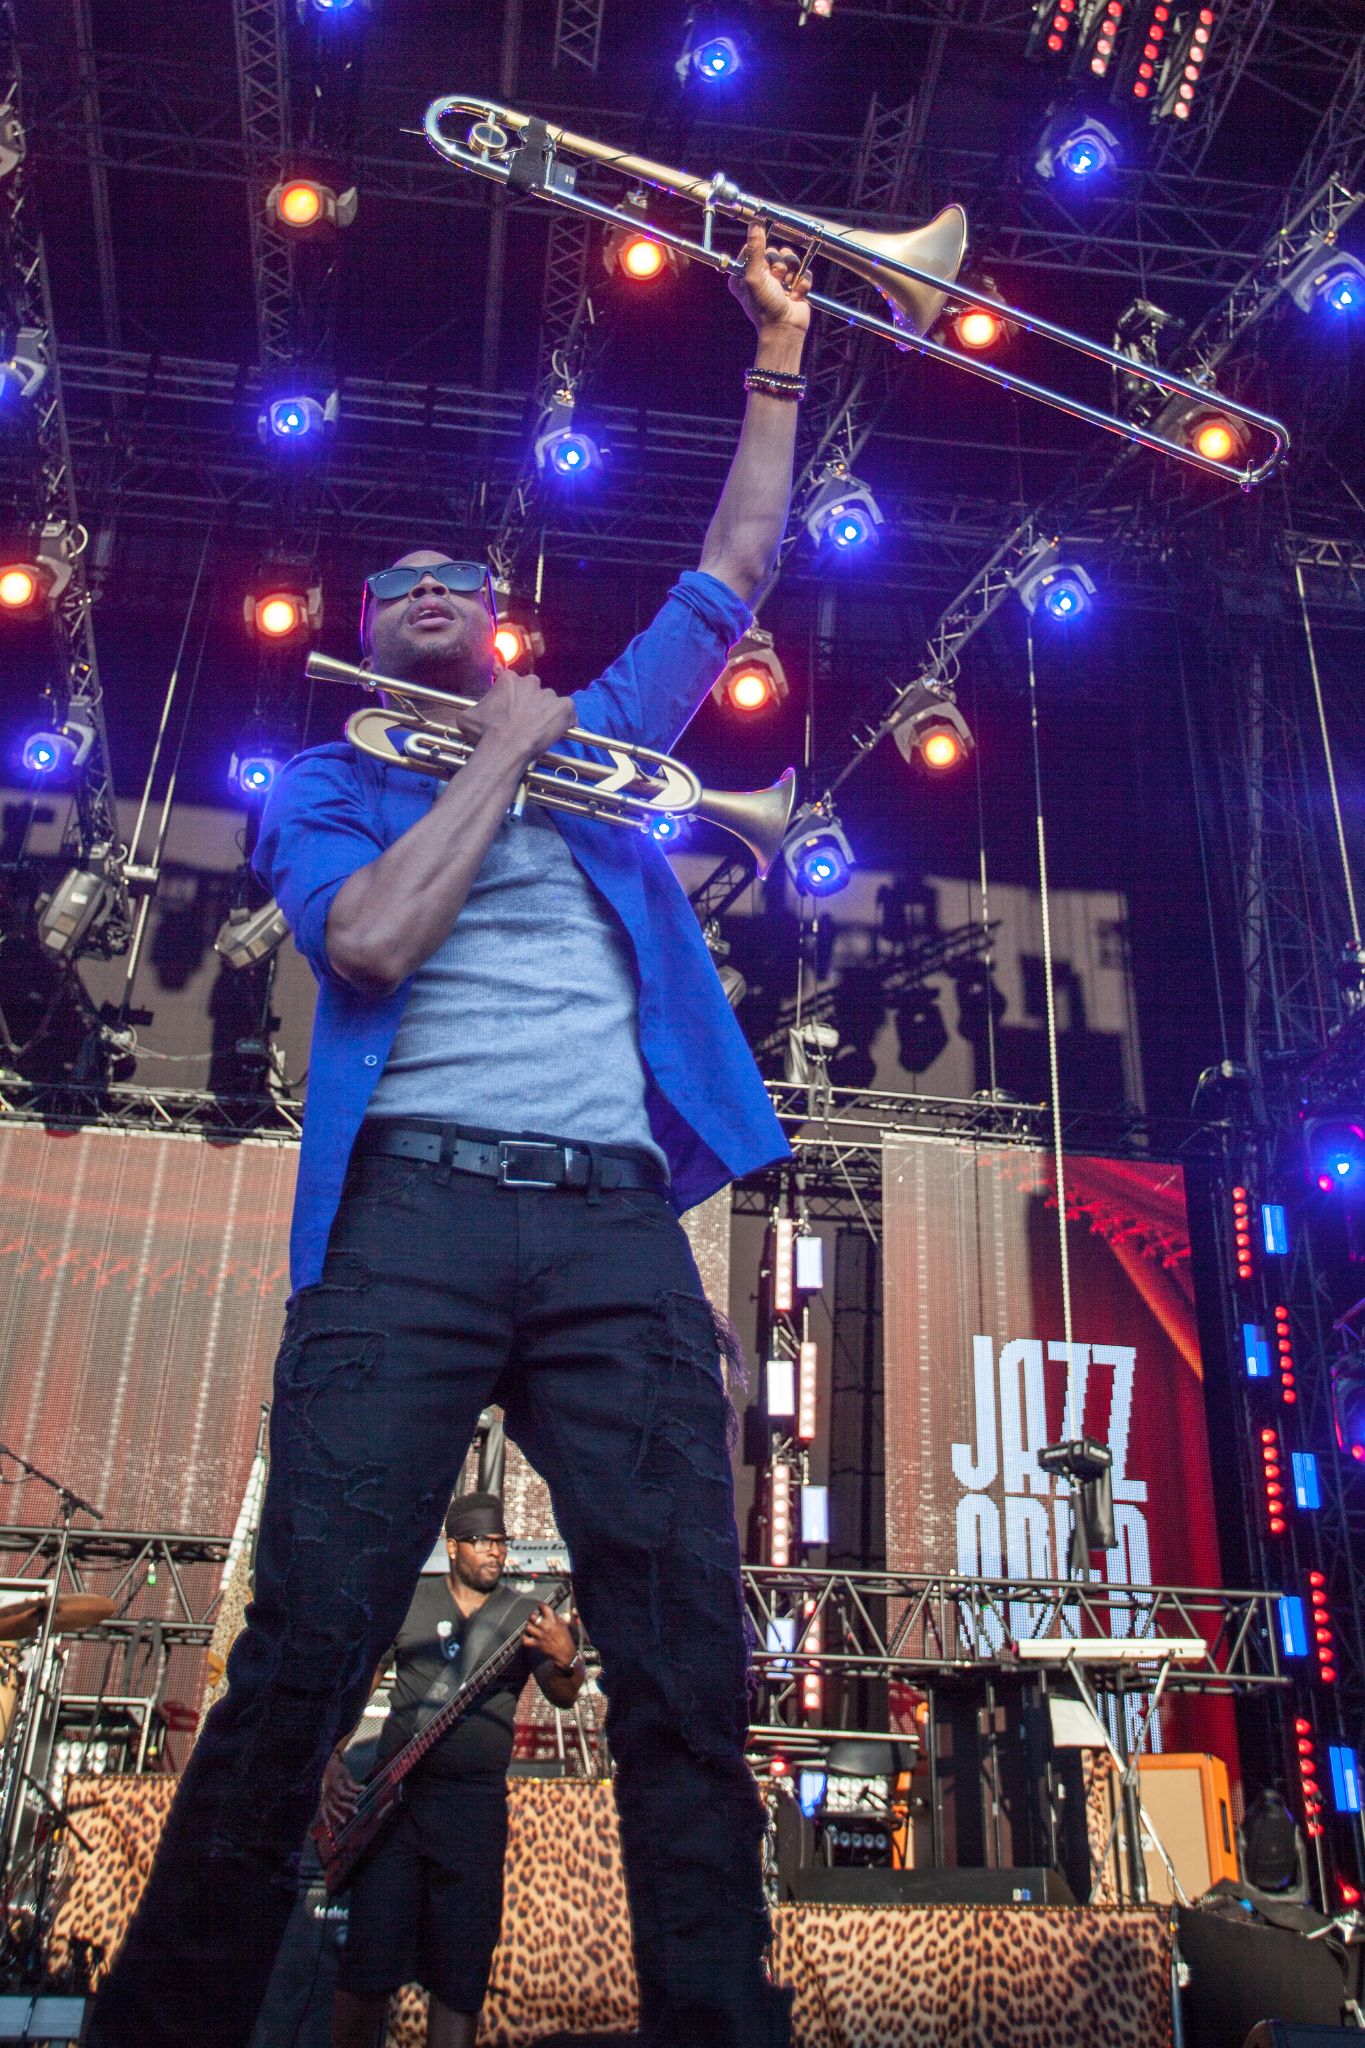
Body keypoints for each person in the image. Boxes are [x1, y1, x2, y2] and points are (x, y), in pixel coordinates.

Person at [86, 222, 809, 2048]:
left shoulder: (607, 739)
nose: (430, 584)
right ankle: (165, 2022)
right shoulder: (327, 782)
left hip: (607, 1226)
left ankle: (720, 2019)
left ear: (494, 615)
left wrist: (780, 354)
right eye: (397, 578)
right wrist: (495, 752)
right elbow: (374, 941)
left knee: (682, 1661)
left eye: (459, 575)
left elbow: (734, 562)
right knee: (303, 1651)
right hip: (405, 1219)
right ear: (363, 627)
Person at [326, 1493, 582, 2048]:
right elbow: (359, 1683)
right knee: (367, 1968)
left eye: (500, 1542)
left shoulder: (522, 1614)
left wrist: (568, 1658)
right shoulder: (409, 1603)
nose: (495, 1552)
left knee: (460, 1980)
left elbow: (563, 1695)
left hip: (473, 1813)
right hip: (397, 1809)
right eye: (482, 1542)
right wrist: (330, 1757)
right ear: (453, 1546)